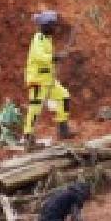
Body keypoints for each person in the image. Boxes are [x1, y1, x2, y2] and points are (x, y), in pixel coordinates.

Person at [23, 10, 75, 146]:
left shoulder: (47, 39)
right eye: (52, 25)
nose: (55, 28)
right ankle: (28, 135)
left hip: (49, 80)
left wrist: (56, 57)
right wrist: (55, 57)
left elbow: (49, 58)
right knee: (35, 107)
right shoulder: (38, 39)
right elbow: (40, 57)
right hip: (38, 80)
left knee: (64, 96)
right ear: (45, 26)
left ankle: (63, 129)